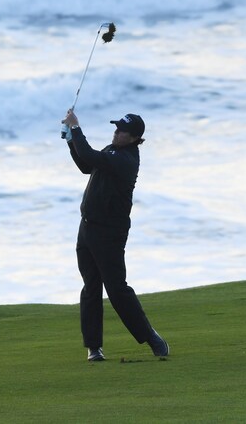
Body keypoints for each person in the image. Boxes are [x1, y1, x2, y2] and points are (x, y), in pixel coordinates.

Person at [61, 108, 169, 362]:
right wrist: (69, 140)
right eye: (116, 128)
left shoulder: (127, 159)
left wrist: (76, 128)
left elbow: (88, 153)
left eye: (122, 131)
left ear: (133, 138)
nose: (116, 132)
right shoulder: (112, 151)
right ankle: (94, 347)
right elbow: (86, 165)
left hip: (109, 233)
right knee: (90, 288)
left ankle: (151, 337)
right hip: (87, 228)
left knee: (117, 289)